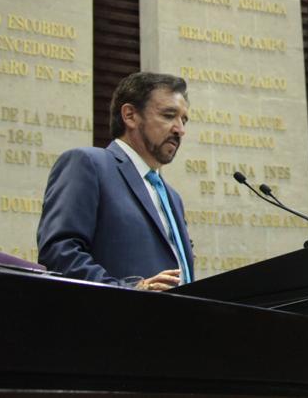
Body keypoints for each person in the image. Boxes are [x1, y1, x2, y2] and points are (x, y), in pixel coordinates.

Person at [36, 72, 194, 290]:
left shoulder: (172, 197)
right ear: (130, 115)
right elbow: (60, 252)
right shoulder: (89, 164)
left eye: (183, 120)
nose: (180, 130)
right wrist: (128, 290)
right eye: (169, 115)